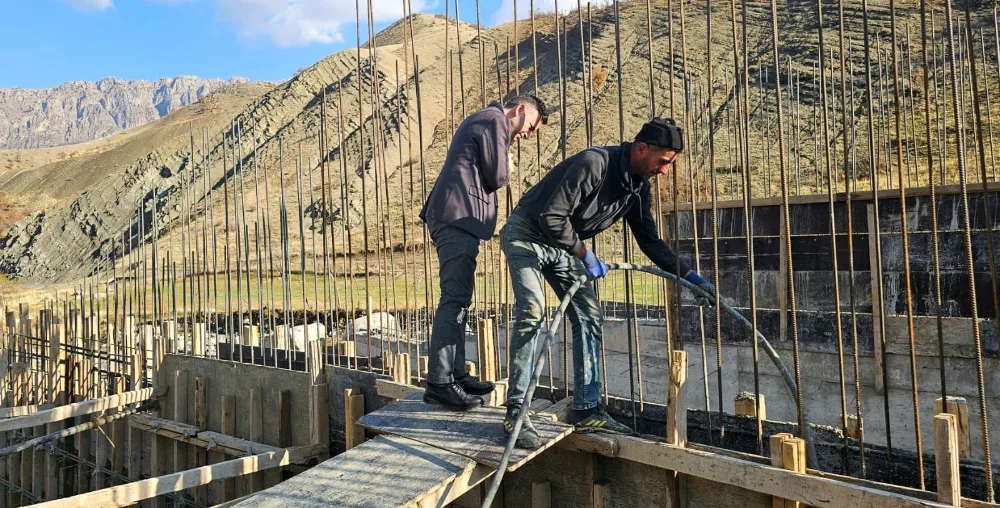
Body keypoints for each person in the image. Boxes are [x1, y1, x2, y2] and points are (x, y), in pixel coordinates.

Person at [499, 118, 714, 448]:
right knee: (532, 310)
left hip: (563, 245)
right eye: (664, 162)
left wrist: (690, 277)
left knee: (589, 315)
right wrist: (585, 254)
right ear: (642, 149)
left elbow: (650, 242)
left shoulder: (637, 187)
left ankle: (587, 410)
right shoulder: (593, 164)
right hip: (527, 235)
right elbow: (551, 216)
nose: (665, 171)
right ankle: (516, 413)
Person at [419, 95, 548, 410]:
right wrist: (508, 159)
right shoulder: (495, 121)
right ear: (520, 110)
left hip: (459, 219)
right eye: (529, 127)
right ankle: (440, 382)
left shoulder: (489, 122)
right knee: (454, 299)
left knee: (460, 298)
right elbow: (498, 176)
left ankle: (456, 373)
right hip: (457, 217)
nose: (526, 135)